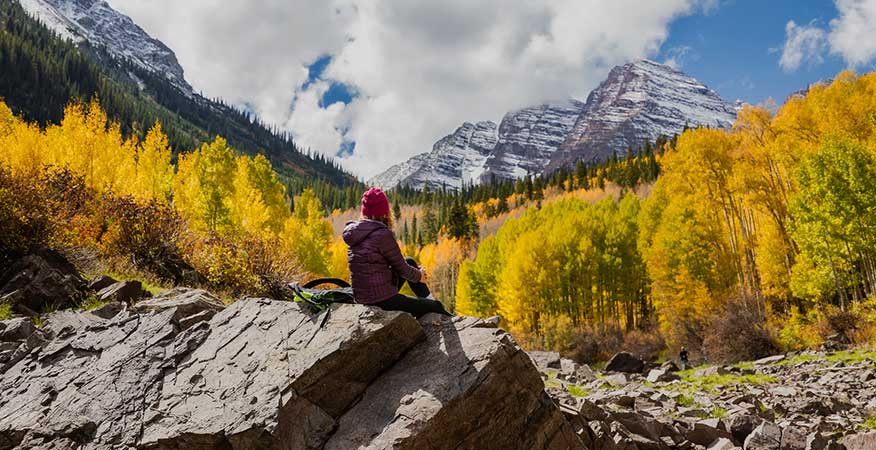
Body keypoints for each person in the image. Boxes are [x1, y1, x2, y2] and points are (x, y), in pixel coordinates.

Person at [343, 187, 451, 319]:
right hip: (382, 300)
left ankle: (429, 300)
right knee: (436, 306)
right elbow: (402, 269)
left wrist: (417, 274)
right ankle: (437, 309)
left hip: (363, 297)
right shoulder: (382, 235)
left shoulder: (355, 233)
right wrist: (420, 276)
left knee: (409, 261)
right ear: (385, 212)